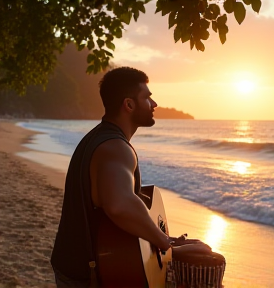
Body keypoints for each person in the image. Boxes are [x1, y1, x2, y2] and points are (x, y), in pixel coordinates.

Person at [50, 67, 211, 287]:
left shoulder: (98, 138)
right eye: (147, 98)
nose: (154, 105)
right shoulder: (116, 147)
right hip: (89, 276)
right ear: (129, 105)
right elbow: (120, 204)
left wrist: (166, 239)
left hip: (76, 265)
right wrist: (164, 241)